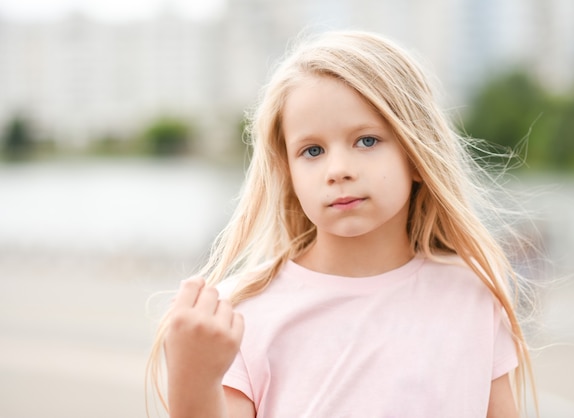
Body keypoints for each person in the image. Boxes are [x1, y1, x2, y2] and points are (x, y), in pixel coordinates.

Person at [147, 30, 537, 418]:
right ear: (288, 171)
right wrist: (193, 381)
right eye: (312, 150)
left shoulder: (473, 293)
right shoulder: (242, 315)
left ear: (416, 154)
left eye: (366, 141)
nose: (338, 170)